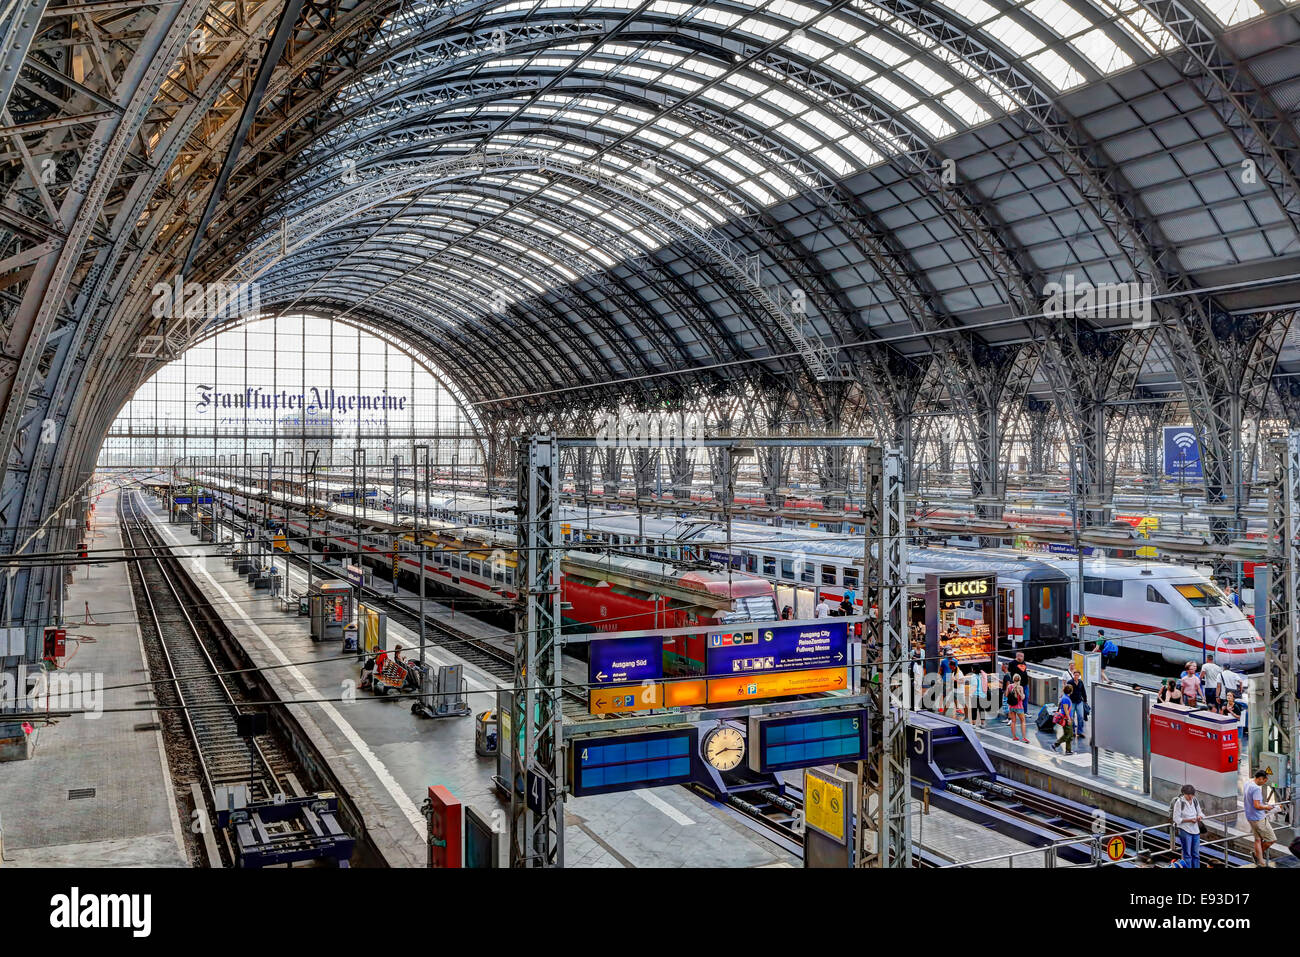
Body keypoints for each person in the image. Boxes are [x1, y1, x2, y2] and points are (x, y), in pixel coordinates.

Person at [1245, 768, 1281, 867]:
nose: (1264, 783)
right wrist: (1267, 807)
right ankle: (1257, 855)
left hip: (1250, 816)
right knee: (1271, 839)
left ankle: (1260, 862)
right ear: (1260, 778)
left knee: (1257, 839)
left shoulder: (1248, 783)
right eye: (1264, 781)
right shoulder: (1256, 788)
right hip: (1258, 818)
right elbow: (1257, 805)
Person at [1172, 784, 1204, 868]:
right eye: (1188, 795)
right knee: (1187, 855)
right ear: (1184, 794)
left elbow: (1200, 812)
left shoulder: (1195, 800)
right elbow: (1176, 818)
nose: (1190, 797)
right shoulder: (1179, 802)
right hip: (1185, 830)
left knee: (1196, 854)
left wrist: (1199, 816)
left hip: (1195, 830)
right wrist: (1189, 820)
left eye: (1192, 795)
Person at [1052, 683, 1075, 754]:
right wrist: (1069, 719)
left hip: (1068, 718)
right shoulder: (1065, 698)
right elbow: (1066, 710)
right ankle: (1055, 744)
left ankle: (1068, 750)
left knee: (1070, 735)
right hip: (1066, 719)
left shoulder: (1065, 697)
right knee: (1067, 734)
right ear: (1071, 691)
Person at [1069, 667, 1089, 741]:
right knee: (1071, 717)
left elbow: (1083, 691)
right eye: (1075, 675)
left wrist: (1085, 700)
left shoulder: (1080, 682)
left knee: (1080, 717)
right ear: (1073, 675)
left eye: (1077, 675)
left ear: (1079, 676)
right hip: (1072, 702)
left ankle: (1080, 732)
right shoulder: (1070, 682)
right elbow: (1067, 692)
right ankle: (1073, 732)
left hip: (1079, 701)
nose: (1076, 676)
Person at [1006, 674, 1027, 741]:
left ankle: (1014, 737)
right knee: (1023, 721)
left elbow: (1006, 695)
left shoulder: (1009, 686)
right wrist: (1020, 693)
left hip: (1011, 707)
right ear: (1020, 680)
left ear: (1013, 679)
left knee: (1013, 721)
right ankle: (1024, 738)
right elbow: (1022, 698)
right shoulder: (1020, 687)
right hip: (1019, 707)